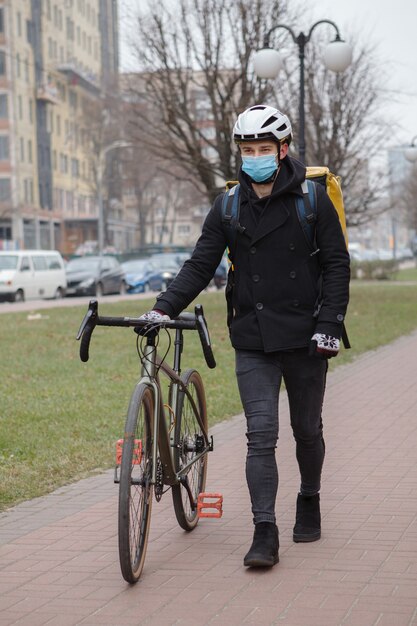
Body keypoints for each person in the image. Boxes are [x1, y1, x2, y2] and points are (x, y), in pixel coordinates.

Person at [140, 104, 350, 568]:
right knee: (261, 434)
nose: (255, 155)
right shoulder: (229, 206)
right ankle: (264, 531)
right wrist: (162, 308)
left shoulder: (312, 201)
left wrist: (330, 324)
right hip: (253, 337)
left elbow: (336, 266)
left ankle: (310, 497)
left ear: (283, 150)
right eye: (247, 148)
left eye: (264, 148)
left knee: (306, 430)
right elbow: (200, 264)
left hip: (307, 336)